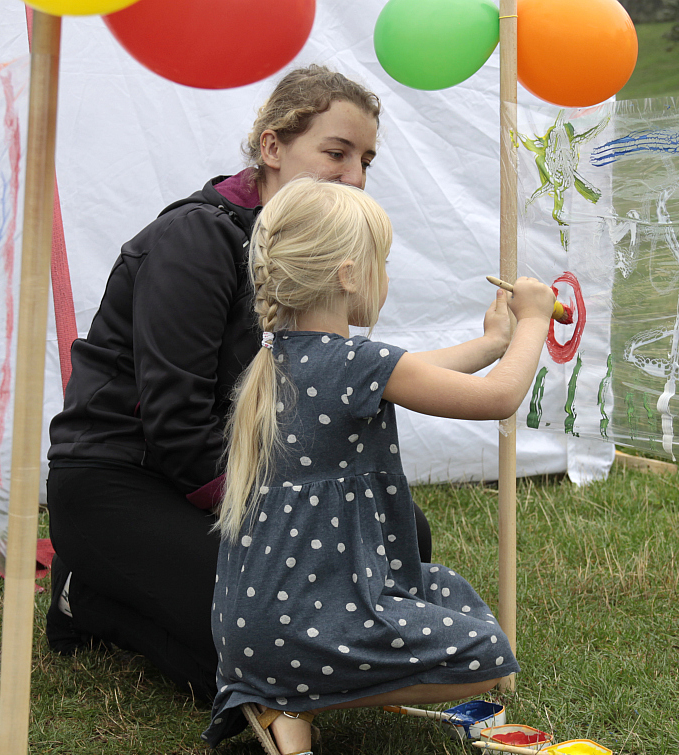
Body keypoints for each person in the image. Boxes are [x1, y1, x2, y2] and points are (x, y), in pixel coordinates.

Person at [45, 65, 514, 702]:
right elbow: (177, 429)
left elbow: (357, 375)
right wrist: (278, 520)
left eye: (366, 160)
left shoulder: (302, 251)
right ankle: (88, 598)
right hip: (120, 480)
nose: (354, 175)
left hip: (229, 474)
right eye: (336, 152)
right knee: (237, 649)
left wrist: (490, 345)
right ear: (271, 147)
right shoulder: (195, 240)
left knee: (405, 536)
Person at [202, 177, 556, 755]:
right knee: (491, 664)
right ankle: (293, 699)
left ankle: (279, 691)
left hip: (252, 627)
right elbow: (498, 398)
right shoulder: (350, 363)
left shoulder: (279, 358)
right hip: (309, 624)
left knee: (448, 593)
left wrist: (494, 339)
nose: (384, 276)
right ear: (347, 275)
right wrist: (534, 321)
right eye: (381, 263)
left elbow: (416, 373)